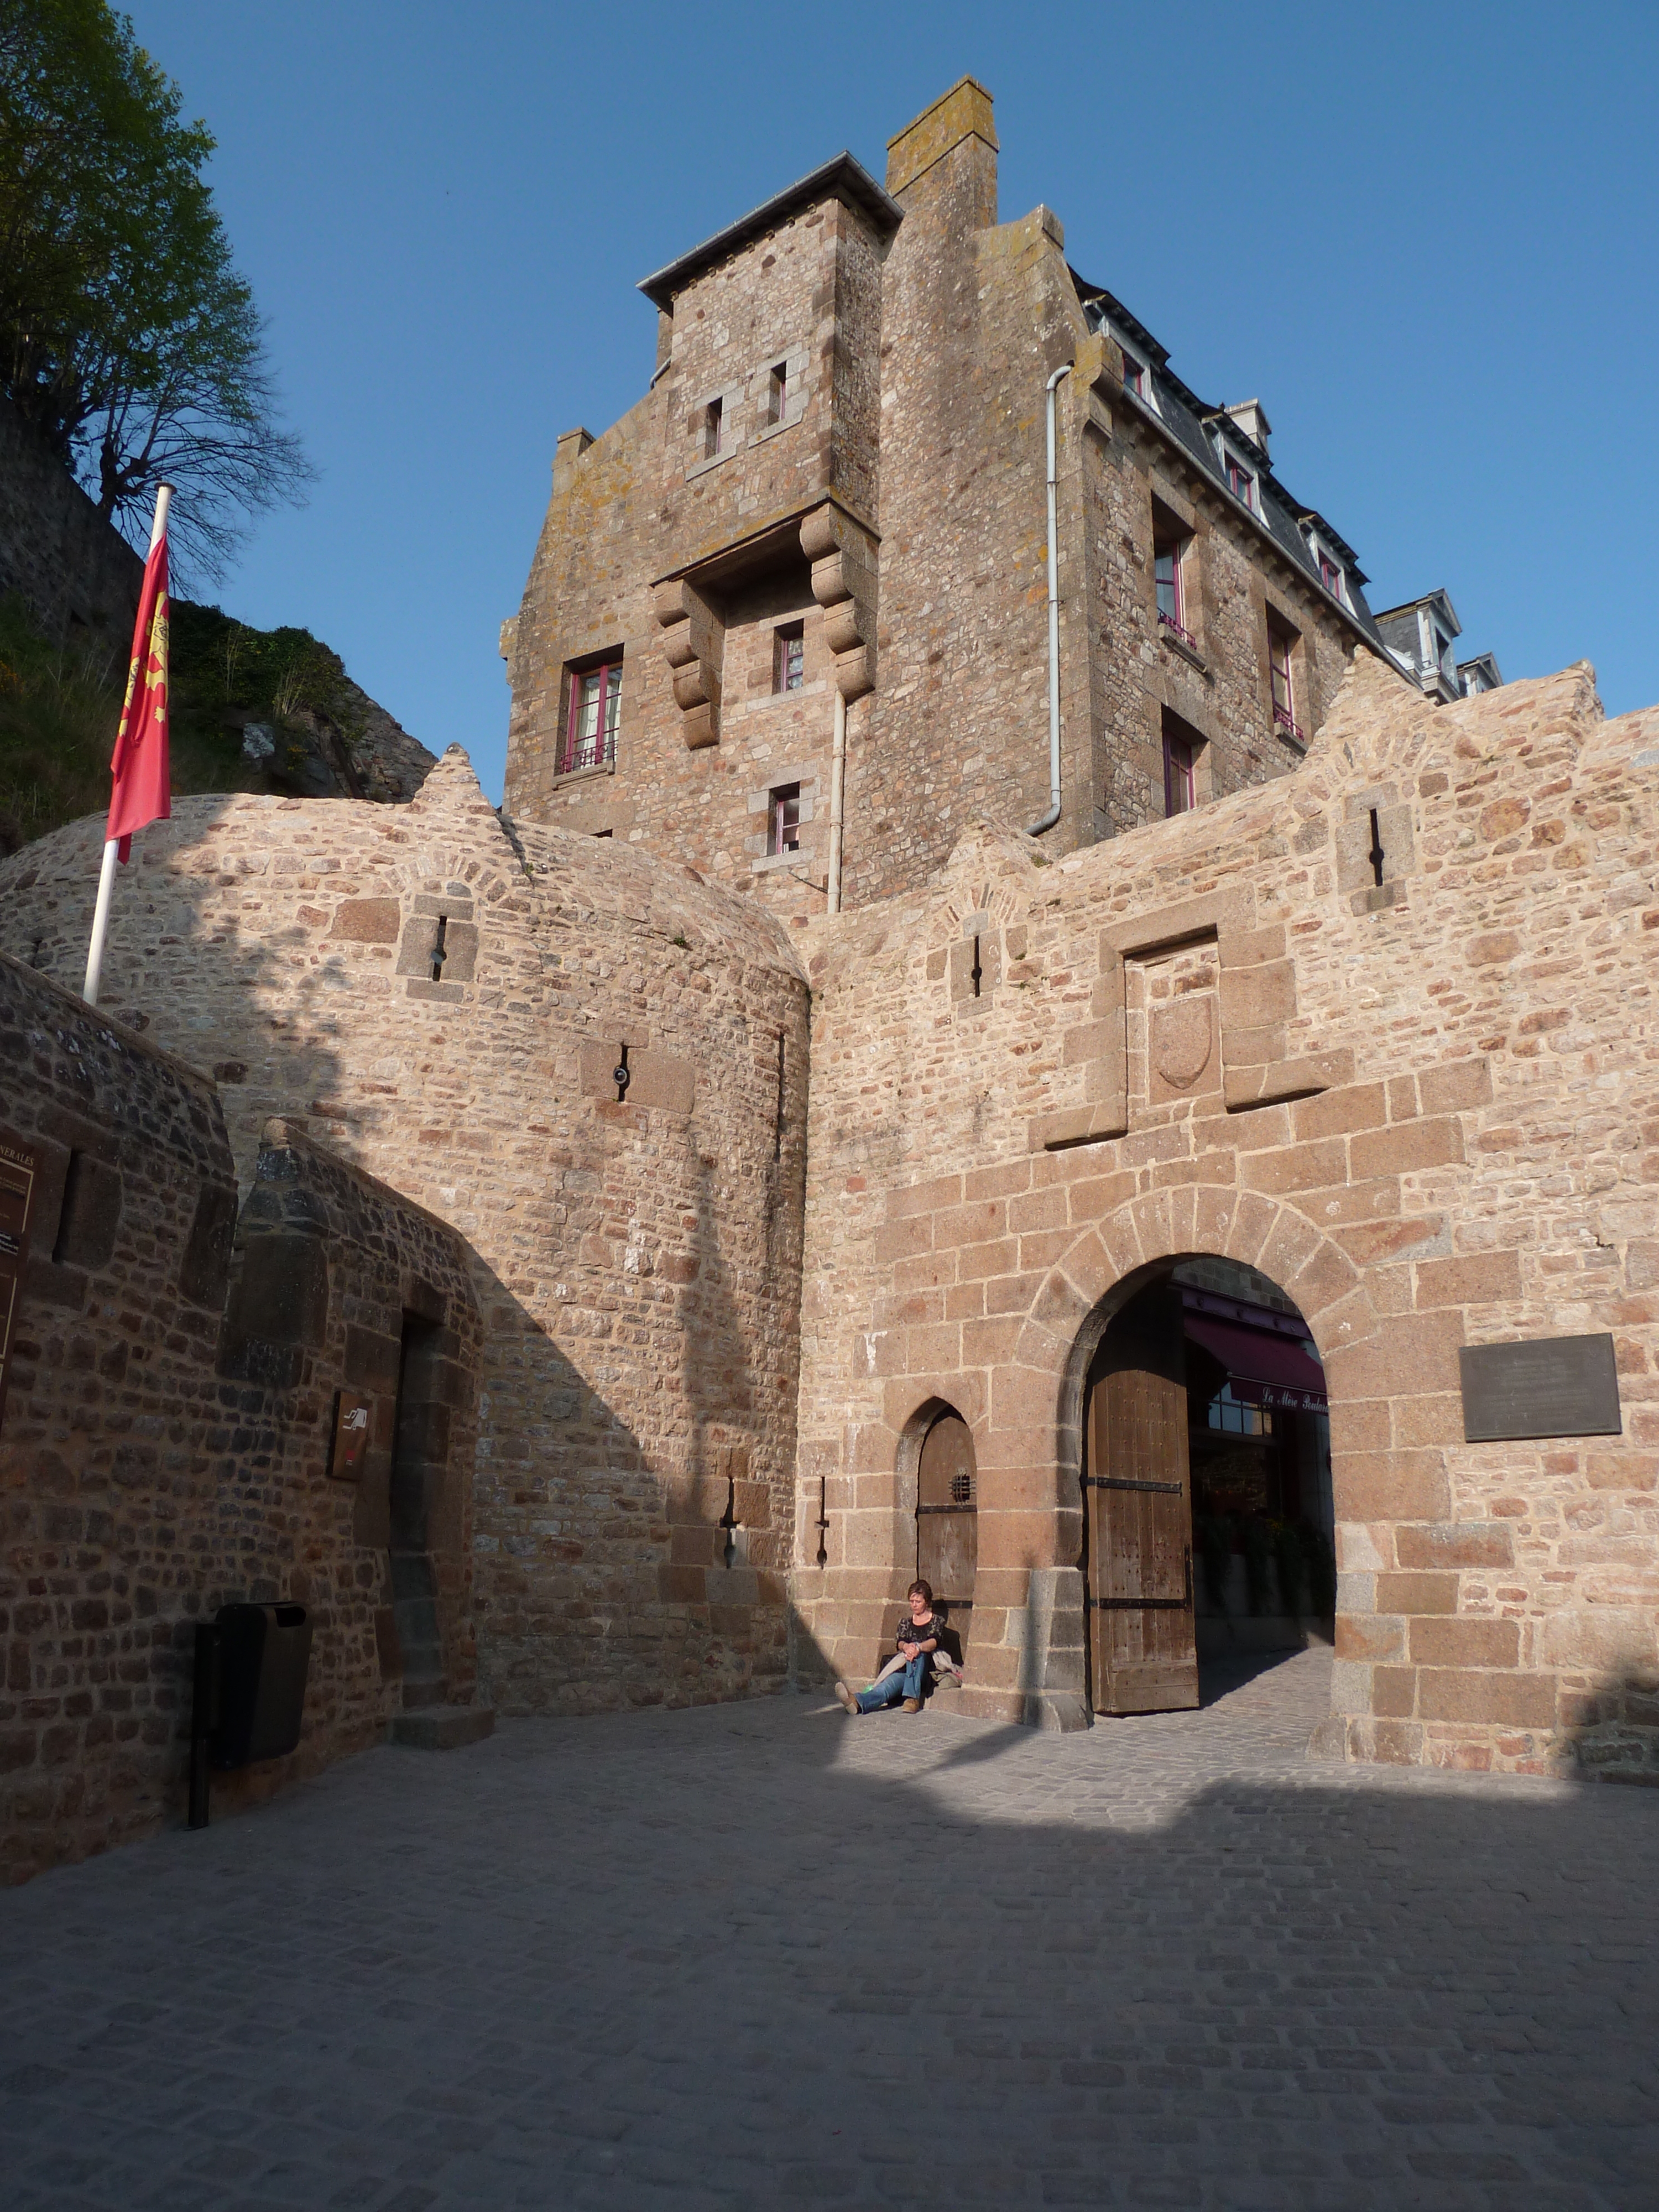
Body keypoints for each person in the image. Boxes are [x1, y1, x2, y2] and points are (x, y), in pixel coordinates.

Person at [834, 1580, 942, 1715]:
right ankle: (858, 1702)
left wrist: (918, 1647)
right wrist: (907, 1646)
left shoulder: (936, 1621)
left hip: (924, 1669)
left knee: (917, 1652)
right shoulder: (905, 1622)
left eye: (918, 1602)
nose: (914, 1605)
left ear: (927, 1602)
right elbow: (900, 1642)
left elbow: (934, 1641)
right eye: (912, 1601)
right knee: (885, 1689)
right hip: (905, 1668)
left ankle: (912, 1698)